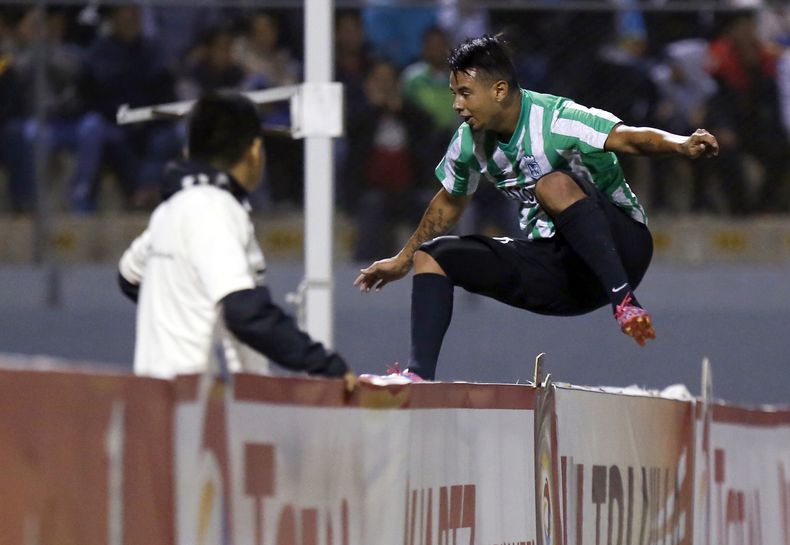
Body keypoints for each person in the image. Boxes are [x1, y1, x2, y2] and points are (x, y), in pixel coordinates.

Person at [354, 34, 719, 383]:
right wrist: (403, 259)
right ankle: (419, 376)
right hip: (563, 272)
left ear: (498, 91)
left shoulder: (558, 118)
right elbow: (450, 200)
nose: (457, 105)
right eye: (454, 94)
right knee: (432, 256)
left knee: (553, 184)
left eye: (465, 93)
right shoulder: (469, 141)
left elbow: (631, 138)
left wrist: (682, 144)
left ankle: (624, 301)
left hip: (622, 251)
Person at [119, 92, 355, 390]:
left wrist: (185, 309)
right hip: (203, 405)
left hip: (159, 399)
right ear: (255, 150)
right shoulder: (215, 209)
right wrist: (325, 365)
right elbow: (244, 311)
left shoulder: (169, 211)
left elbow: (129, 275)